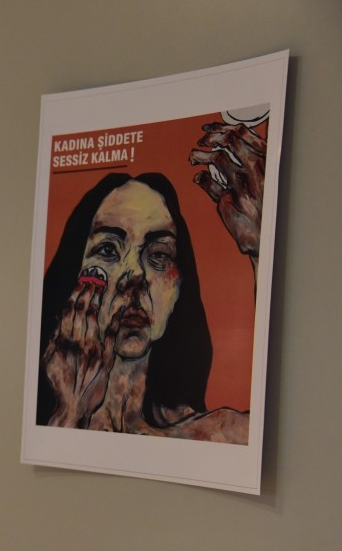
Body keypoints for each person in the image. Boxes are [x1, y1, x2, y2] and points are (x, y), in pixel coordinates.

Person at [37, 121, 265, 444]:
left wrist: (262, 251)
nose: (135, 277)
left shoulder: (220, 436)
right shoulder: (49, 420)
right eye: (107, 250)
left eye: (158, 255)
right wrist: (70, 412)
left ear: (179, 285)